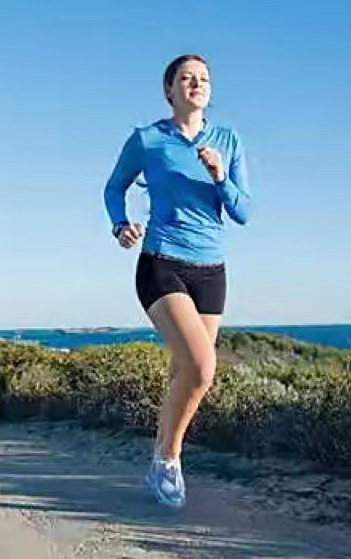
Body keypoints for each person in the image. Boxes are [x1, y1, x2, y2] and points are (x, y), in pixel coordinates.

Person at [103, 54, 252, 508]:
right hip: (161, 260)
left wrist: (221, 177)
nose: (196, 84)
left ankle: (157, 457)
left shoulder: (227, 140)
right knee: (203, 367)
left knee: (185, 371)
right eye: (186, 78)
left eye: (204, 78)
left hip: (212, 269)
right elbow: (114, 188)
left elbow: (243, 212)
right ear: (169, 90)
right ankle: (168, 459)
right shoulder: (147, 140)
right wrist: (120, 224)